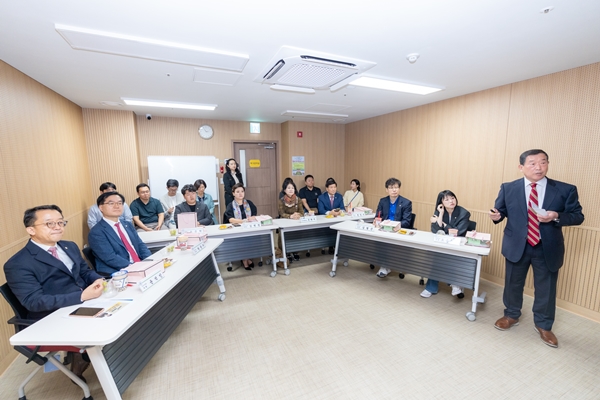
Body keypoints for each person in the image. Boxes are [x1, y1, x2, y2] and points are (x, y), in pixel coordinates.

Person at [489, 149, 584, 348]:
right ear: (521, 167)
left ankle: (544, 325)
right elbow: (501, 211)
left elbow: (577, 216)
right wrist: (497, 216)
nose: (538, 167)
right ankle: (511, 315)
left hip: (546, 247)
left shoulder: (565, 189)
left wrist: (556, 216)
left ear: (547, 164)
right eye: (532, 163)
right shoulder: (508, 188)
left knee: (546, 288)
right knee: (513, 283)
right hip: (517, 245)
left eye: (543, 162)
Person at [4, 205, 104, 382]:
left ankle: (99, 359)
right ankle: (85, 361)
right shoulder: (18, 263)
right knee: (105, 328)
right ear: (31, 230)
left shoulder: (69, 246)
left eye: (60, 222)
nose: (58, 227)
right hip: (52, 316)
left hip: (84, 302)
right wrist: (81, 297)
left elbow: (84, 272)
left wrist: (98, 280)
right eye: (50, 224)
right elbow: (34, 301)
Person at [421, 190, 471, 298]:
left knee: (444, 257)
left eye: (452, 198)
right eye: (447, 199)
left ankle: (453, 283)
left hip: (457, 245)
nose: (451, 201)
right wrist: (441, 214)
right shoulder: (439, 211)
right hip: (442, 244)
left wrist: (444, 224)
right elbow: (435, 230)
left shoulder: (464, 213)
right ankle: (451, 284)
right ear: (441, 202)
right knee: (437, 256)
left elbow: (458, 232)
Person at [88, 192, 152, 275]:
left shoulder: (127, 224)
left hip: (140, 265)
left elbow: (140, 245)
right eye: (111, 203)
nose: (117, 206)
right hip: (118, 272)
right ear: (101, 207)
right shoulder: (96, 232)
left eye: (120, 203)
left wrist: (149, 261)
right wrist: (135, 268)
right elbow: (110, 257)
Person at [374, 178, 413, 278]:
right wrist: (376, 220)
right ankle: (385, 265)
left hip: (397, 231)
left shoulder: (406, 203)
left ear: (399, 189)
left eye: (396, 187)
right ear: (387, 190)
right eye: (391, 188)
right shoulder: (383, 201)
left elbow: (406, 221)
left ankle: (385, 267)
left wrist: (396, 226)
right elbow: (378, 216)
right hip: (384, 229)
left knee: (387, 243)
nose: (394, 190)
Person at [224, 183, 257, 270]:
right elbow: (230, 219)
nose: (240, 193)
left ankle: (247, 258)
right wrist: (243, 221)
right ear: (233, 193)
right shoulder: (230, 205)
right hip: (237, 229)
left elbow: (254, 215)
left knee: (250, 238)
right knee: (243, 239)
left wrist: (251, 218)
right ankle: (244, 260)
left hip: (249, 228)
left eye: (242, 191)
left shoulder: (249, 203)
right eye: (237, 192)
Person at [278, 179, 302, 263]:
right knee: (284, 236)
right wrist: (290, 216)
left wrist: (297, 215)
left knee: (296, 236)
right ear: (284, 190)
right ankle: (286, 252)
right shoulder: (281, 200)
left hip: (296, 221)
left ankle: (295, 251)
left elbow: (301, 212)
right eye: (288, 188)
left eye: (292, 188)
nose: (291, 190)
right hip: (285, 221)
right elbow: (281, 213)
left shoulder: (298, 200)